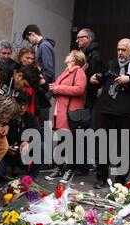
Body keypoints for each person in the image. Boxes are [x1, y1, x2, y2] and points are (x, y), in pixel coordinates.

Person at [91, 39, 130, 189]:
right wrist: (96, 79)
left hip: (128, 113)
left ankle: (120, 180)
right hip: (109, 111)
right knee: (105, 146)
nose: (120, 52)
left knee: (124, 148)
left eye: (123, 50)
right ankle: (101, 178)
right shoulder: (112, 63)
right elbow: (104, 77)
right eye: (118, 49)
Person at [45, 50, 88, 183]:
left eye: (69, 54)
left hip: (70, 113)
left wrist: (57, 88)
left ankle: (69, 169)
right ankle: (59, 168)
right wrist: (53, 89)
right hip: (61, 111)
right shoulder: (66, 71)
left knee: (70, 143)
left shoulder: (78, 72)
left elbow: (79, 89)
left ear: (74, 58)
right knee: (61, 141)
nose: (66, 55)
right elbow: (60, 88)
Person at [76, 28, 104, 175]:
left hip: (88, 101)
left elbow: (95, 80)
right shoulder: (87, 54)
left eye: (80, 38)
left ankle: (85, 166)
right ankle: (82, 164)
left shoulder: (94, 56)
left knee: (86, 133)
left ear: (88, 38)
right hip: (85, 101)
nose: (77, 41)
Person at [0, 91, 41, 180]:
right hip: (6, 152)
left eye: (25, 105)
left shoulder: (30, 117)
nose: (22, 108)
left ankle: (31, 177)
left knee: (41, 147)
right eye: (20, 104)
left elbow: (37, 133)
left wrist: (27, 142)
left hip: (23, 152)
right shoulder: (7, 116)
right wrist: (6, 147)